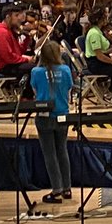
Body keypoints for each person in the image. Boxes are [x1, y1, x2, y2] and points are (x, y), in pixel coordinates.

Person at [30, 40, 73, 204]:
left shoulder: (36, 71)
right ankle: (67, 188)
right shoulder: (66, 69)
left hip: (44, 116)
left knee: (50, 154)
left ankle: (56, 189)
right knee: (62, 150)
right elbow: (69, 89)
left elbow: (35, 92)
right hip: (62, 114)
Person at [0, 4, 37, 81]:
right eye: (16, 15)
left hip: (8, 64)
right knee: (35, 69)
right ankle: (28, 92)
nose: (19, 18)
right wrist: (26, 60)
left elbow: (18, 51)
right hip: (3, 66)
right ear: (8, 17)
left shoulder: (8, 31)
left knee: (36, 67)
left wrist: (27, 37)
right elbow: (9, 57)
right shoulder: (2, 32)